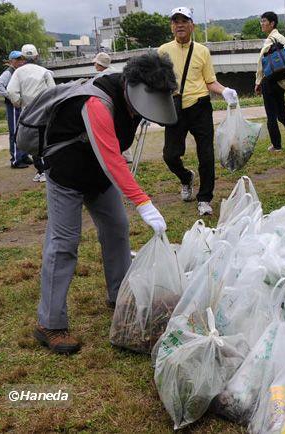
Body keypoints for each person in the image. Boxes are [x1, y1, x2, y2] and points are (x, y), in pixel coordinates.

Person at [33, 52, 177, 355]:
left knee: (116, 229)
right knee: (64, 243)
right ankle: (50, 323)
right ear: (132, 85)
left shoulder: (131, 104)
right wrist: (143, 202)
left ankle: (120, 297)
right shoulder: (97, 103)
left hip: (98, 176)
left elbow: (109, 160)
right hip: (67, 174)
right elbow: (112, 158)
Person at [158, 6, 238, 216]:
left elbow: (210, 81)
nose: (180, 25)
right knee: (170, 155)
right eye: (176, 21)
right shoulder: (163, 51)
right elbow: (156, 82)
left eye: (184, 21)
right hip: (175, 108)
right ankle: (186, 178)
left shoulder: (202, 50)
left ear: (191, 25)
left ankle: (204, 199)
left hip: (200, 106)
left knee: (206, 155)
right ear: (171, 26)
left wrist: (225, 91)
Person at [7, 44, 56, 182]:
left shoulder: (18, 72)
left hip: (28, 111)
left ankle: (41, 170)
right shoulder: (44, 71)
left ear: (23, 57)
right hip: (45, 110)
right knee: (47, 139)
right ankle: (48, 169)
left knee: (34, 140)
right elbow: (53, 90)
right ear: (36, 56)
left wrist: (18, 103)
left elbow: (11, 91)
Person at [255, 11, 285, 152]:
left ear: (272, 23)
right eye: (261, 21)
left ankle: (276, 146)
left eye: (264, 21)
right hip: (280, 81)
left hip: (269, 81)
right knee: (282, 115)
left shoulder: (270, 40)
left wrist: (258, 81)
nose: (262, 24)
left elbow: (261, 63)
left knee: (271, 115)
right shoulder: (282, 38)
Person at [0, 50, 30, 168]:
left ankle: (23, 155)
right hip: (13, 105)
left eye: (22, 59)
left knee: (22, 130)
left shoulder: (18, 71)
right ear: (11, 61)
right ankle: (16, 160)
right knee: (15, 131)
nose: (21, 61)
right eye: (18, 59)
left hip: (19, 104)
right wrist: (10, 96)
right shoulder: (9, 72)